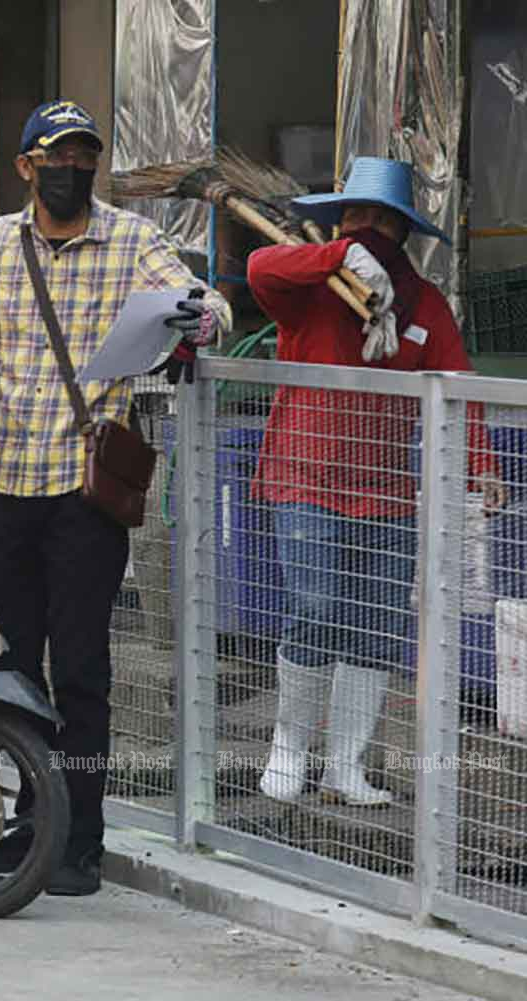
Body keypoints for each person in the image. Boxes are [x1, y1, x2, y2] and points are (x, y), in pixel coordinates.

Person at [0, 100, 230, 895]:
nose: (73, 170)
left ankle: (77, 840)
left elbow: (206, 301)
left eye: (85, 158)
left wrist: (197, 320)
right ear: (27, 167)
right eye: (58, 157)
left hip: (86, 494)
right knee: (5, 670)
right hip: (12, 485)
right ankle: (18, 828)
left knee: (80, 671)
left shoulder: (133, 240)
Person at [250, 156, 503, 807]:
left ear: (402, 229)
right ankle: (289, 750)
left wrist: (484, 460)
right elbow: (259, 270)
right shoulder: (312, 284)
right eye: (354, 217)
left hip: (386, 489)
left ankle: (345, 765)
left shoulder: (424, 304)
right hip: (304, 476)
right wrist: (334, 259)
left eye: (379, 220)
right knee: (314, 607)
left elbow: (458, 385)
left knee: (377, 622)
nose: (367, 230)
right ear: (339, 225)